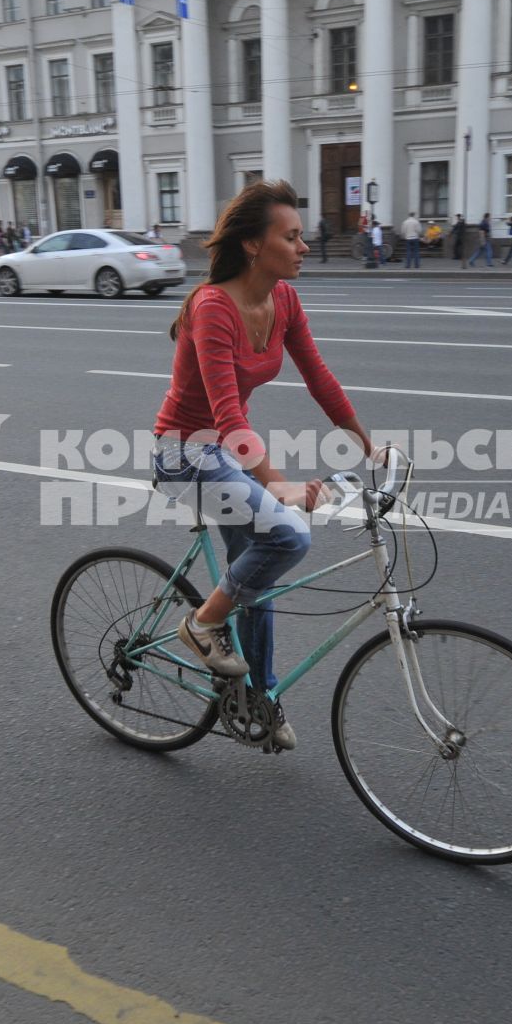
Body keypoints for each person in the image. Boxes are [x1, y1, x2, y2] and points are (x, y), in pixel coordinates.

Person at [152, 180, 373, 751]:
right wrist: (280, 487)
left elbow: (320, 379)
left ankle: (257, 698)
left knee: (257, 578)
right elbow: (227, 416)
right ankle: (201, 626)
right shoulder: (212, 308)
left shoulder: (285, 300)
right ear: (254, 245)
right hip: (185, 451)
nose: (304, 246)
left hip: (223, 451)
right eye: (292, 236)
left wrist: (369, 447)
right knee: (285, 537)